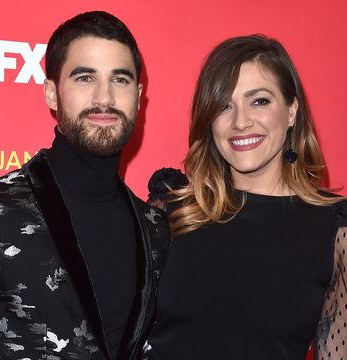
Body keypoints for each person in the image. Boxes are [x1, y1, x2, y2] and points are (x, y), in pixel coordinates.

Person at [146, 35, 347, 359]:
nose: (240, 121)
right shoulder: (173, 208)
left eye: (259, 101)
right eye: (224, 105)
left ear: (292, 110)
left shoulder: (335, 230)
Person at [0, 11, 170, 360]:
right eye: (85, 78)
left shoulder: (157, 230)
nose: (105, 97)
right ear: (52, 94)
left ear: (139, 95)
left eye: (120, 80)